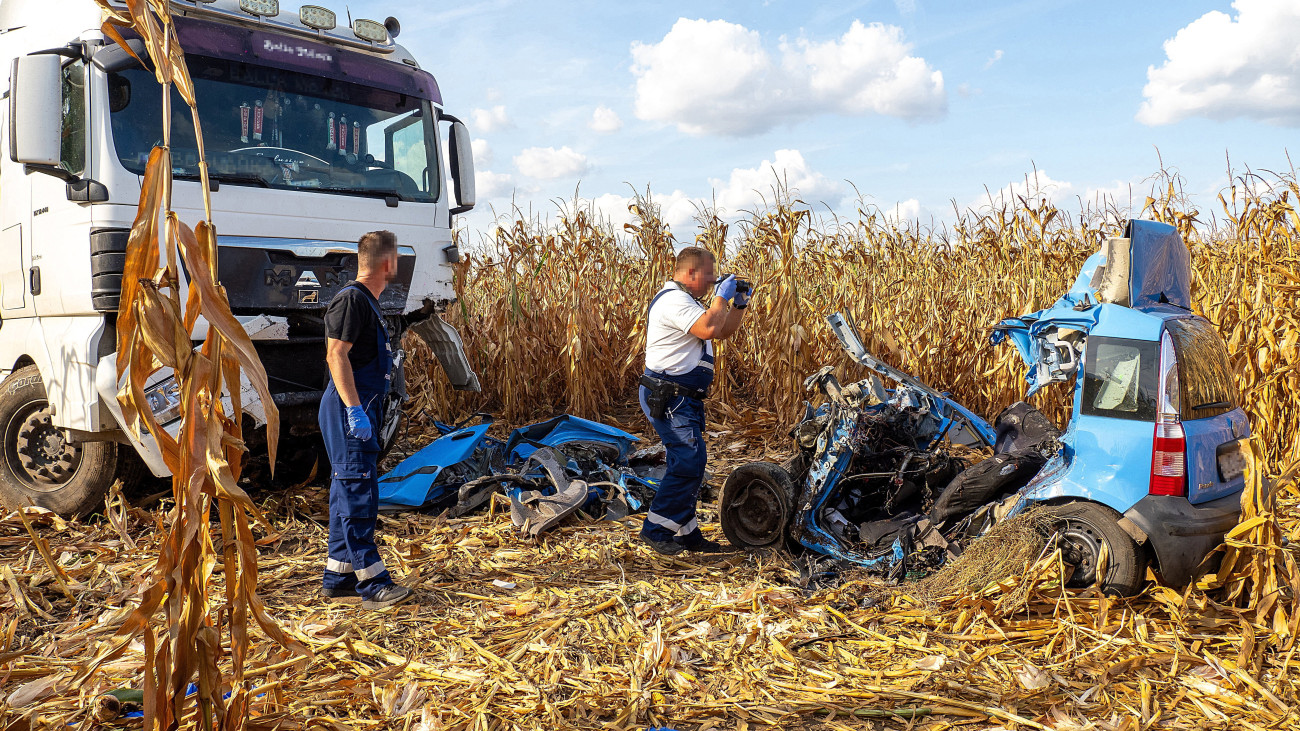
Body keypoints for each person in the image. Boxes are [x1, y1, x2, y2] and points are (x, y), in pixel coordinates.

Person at [319, 231, 413, 610]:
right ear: (388, 264)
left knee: (349, 487)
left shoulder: (368, 304)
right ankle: (373, 584)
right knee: (359, 492)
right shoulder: (351, 301)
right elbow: (335, 356)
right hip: (348, 408)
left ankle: (338, 576)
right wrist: (354, 410)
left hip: (361, 406)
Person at [638, 246, 752, 555]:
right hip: (669, 396)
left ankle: (687, 534)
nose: (713, 281)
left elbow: (722, 330)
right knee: (689, 460)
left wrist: (738, 305)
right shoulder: (675, 300)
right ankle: (656, 530)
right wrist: (721, 297)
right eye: (710, 276)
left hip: (681, 398)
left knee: (689, 462)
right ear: (690, 273)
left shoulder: (686, 301)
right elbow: (709, 327)